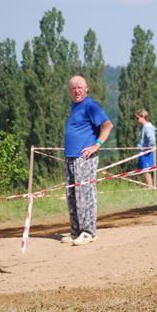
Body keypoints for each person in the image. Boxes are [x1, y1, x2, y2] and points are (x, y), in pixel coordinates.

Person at [61, 75, 113, 246]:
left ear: (86, 88)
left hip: (84, 157)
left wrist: (96, 145)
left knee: (85, 194)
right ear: (70, 90)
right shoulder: (74, 106)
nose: (77, 90)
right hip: (70, 156)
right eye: (73, 88)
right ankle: (76, 231)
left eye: (80, 87)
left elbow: (107, 125)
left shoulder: (90, 105)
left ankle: (89, 231)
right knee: (72, 195)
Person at [135, 108, 156, 188]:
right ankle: (146, 187)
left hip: (146, 154)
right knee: (143, 172)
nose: (136, 120)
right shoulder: (144, 127)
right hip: (142, 153)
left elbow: (152, 140)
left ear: (142, 116)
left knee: (147, 172)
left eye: (137, 118)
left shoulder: (148, 127)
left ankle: (150, 189)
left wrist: (148, 149)